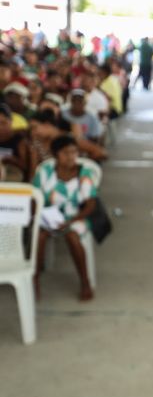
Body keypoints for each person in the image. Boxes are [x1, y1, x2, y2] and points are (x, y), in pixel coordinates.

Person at [32, 135, 97, 301]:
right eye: (65, 153)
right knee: (39, 236)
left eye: (74, 152)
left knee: (72, 236)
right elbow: (35, 197)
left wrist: (70, 221)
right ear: (55, 154)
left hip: (75, 216)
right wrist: (41, 217)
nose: (71, 156)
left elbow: (90, 205)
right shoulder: (45, 172)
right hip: (48, 215)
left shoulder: (84, 173)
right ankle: (34, 279)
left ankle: (85, 282)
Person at [0, 103, 32, 181]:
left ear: (11, 121)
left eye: (3, 123)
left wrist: (12, 160)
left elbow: (25, 166)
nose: (0, 127)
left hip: (13, 175)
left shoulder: (19, 140)